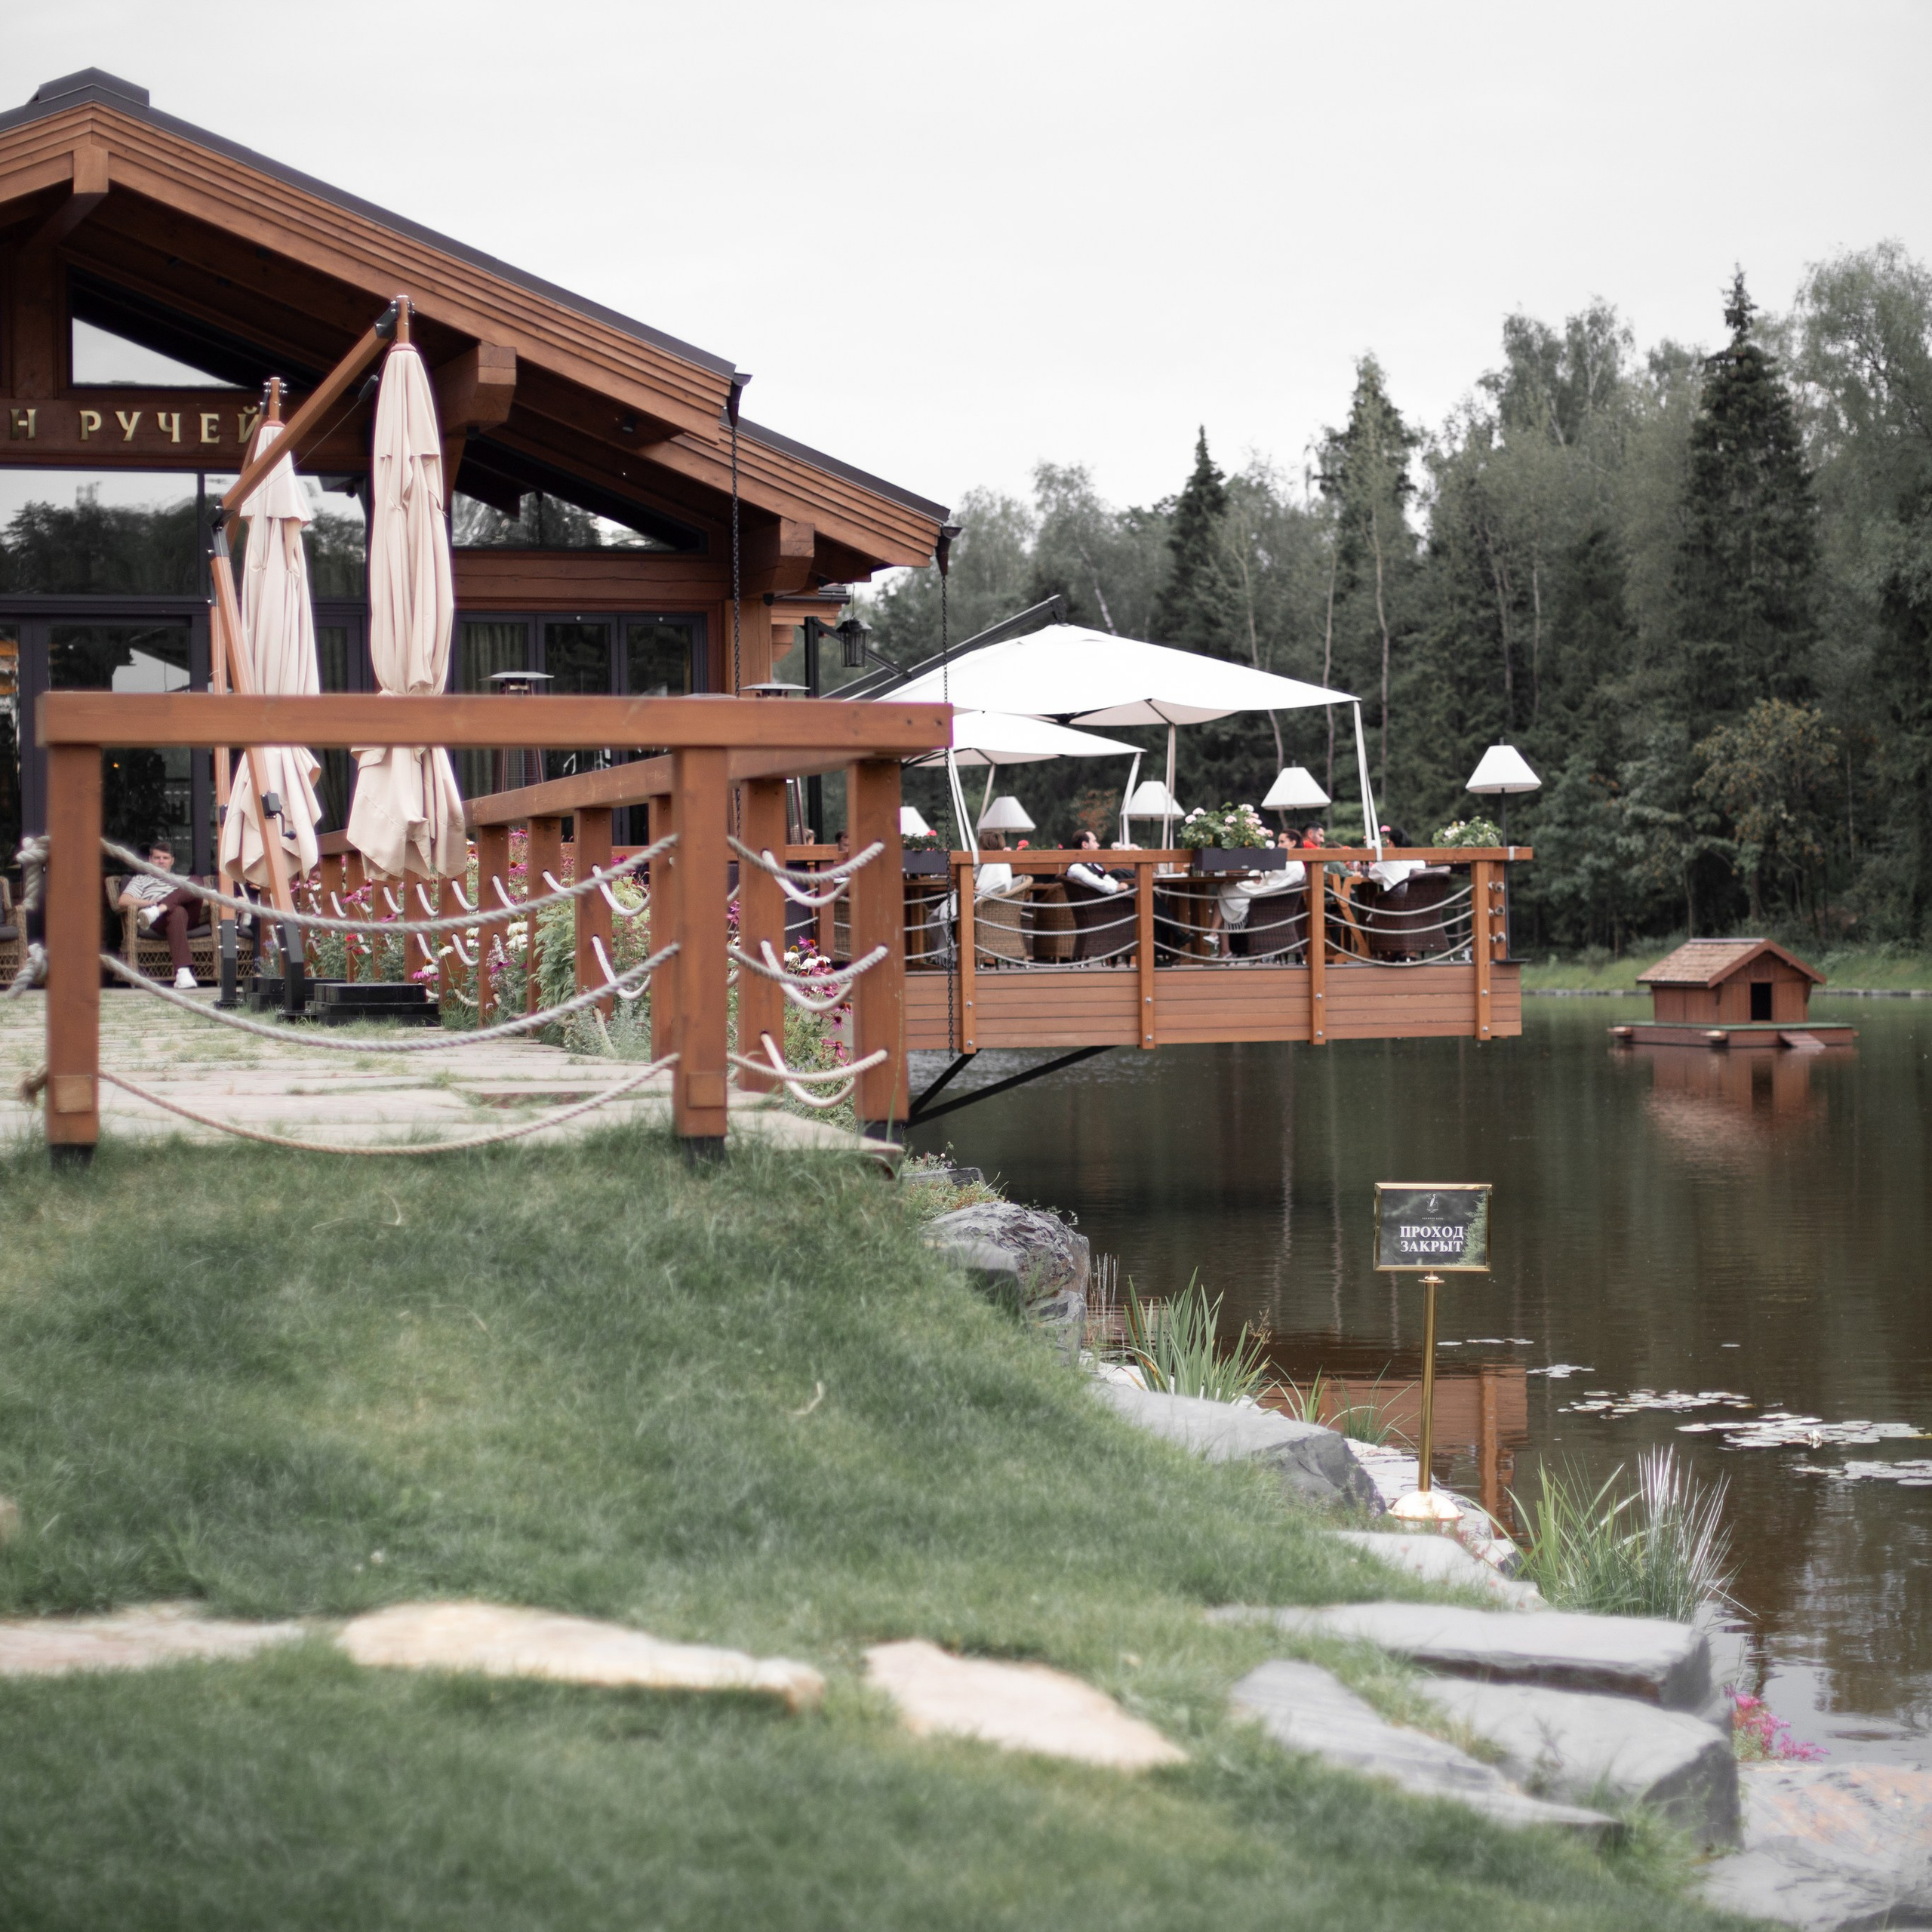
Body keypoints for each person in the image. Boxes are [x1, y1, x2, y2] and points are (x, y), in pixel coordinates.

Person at [118, 841, 202, 989]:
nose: (161, 861)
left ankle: (158, 909)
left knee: (197, 881)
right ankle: (183, 972)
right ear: (150, 860)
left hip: (188, 918)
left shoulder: (181, 879)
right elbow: (123, 901)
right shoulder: (141, 880)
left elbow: (205, 899)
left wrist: (159, 906)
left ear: (172, 861)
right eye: (157, 858)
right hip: (162, 922)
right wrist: (149, 903)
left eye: (165, 858)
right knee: (177, 911)